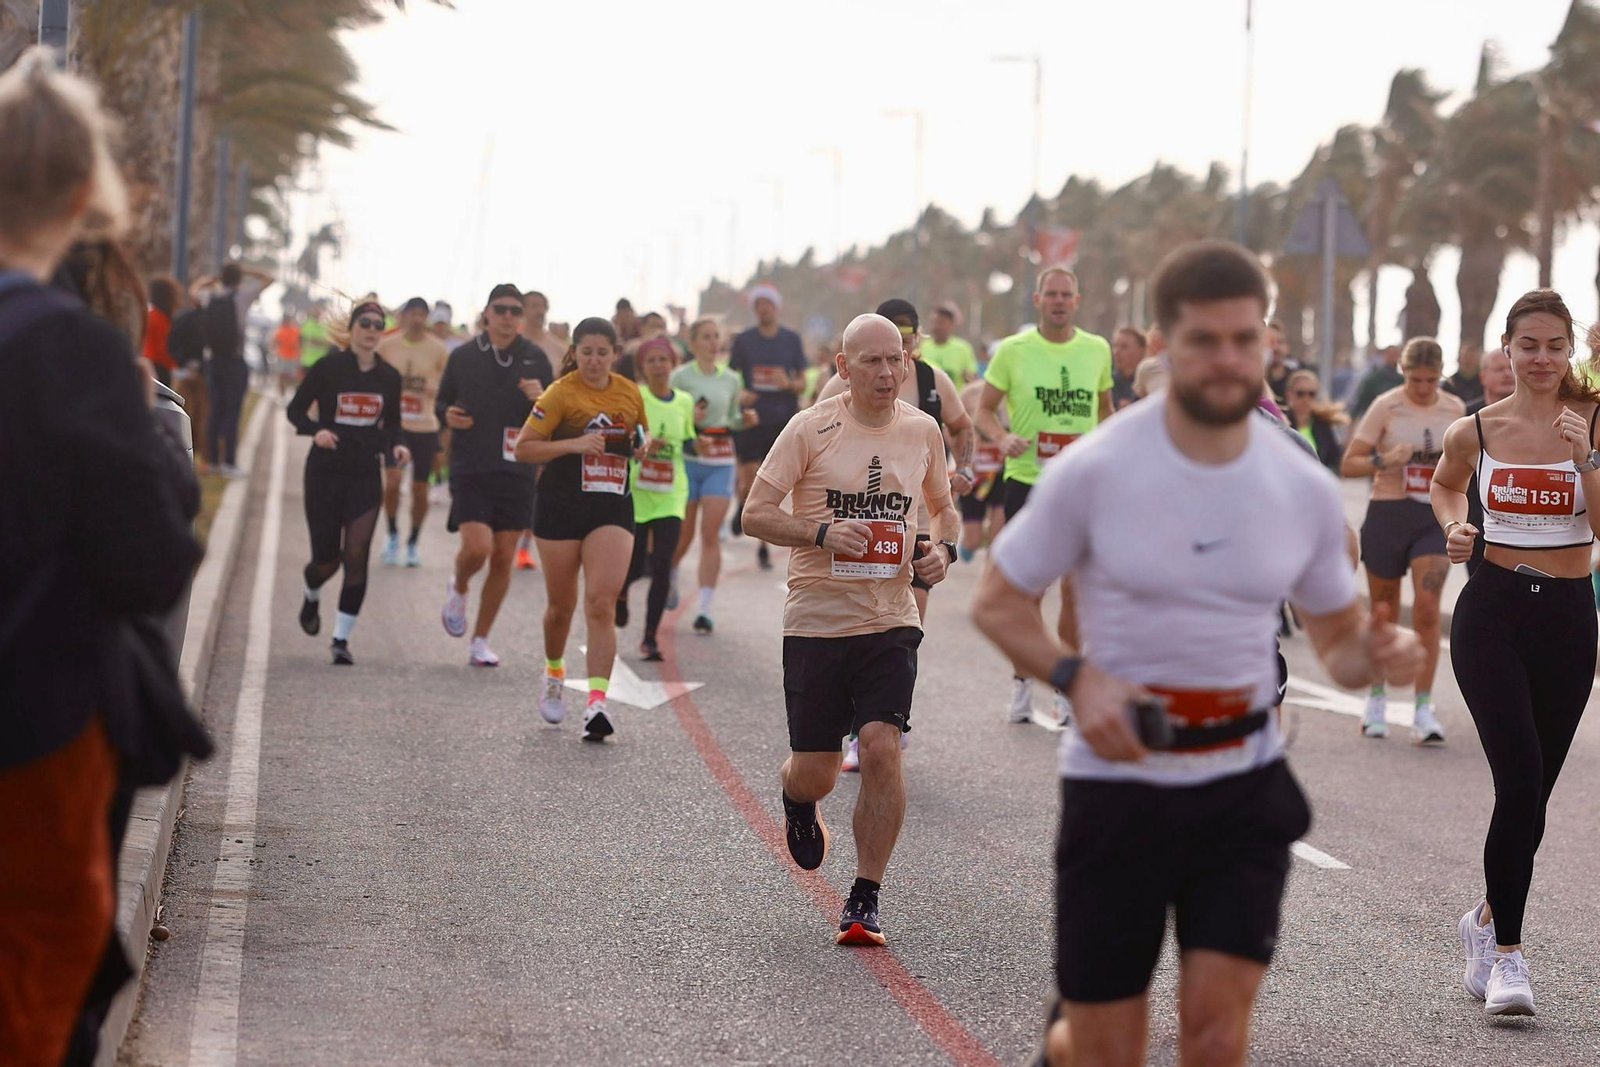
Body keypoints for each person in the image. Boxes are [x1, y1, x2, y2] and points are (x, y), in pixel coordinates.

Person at [972, 240, 1423, 1067]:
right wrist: (1075, 676)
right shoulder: (1098, 470)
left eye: (1244, 340)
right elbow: (998, 601)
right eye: (1204, 341)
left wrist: (1379, 653)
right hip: (1121, 784)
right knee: (1108, 1049)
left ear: (1267, 343)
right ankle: (1068, 1042)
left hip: (1243, 783)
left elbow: (1340, 651)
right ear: (1161, 343)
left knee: (1215, 1038)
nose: (1227, 360)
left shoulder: (1301, 486)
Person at [0, 49, 203, 1066]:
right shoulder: (73, 351)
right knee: (36, 996)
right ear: (87, 196)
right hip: (35, 728)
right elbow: (151, 564)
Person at [742, 312, 958, 947]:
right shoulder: (810, 428)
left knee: (883, 744)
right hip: (816, 620)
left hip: (890, 616)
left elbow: (943, 510)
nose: (888, 373)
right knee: (818, 771)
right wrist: (821, 533)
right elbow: (755, 513)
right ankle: (796, 798)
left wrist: (942, 552)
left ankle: (864, 898)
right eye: (871, 361)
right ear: (843, 368)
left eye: (897, 360)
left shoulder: (923, 431)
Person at [1431, 289, 1600, 1019]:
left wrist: (1585, 458)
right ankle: (1507, 959)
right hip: (1492, 610)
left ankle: (1485, 917)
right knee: (1521, 774)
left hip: (1569, 616)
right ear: (1506, 348)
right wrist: (1456, 525)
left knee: (1534, 797)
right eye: (1527, 344)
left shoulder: (1593, 418)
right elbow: (1444, 487)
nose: (1540, 358)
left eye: (1554, 345)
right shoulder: (1475, 427)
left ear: (1571, 351)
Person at [975, 266, 1112, 727]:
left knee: (1075, 592)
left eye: (1065, 295)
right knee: (1027, 593)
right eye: (1050, 294)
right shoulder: (1014, 352)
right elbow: (983, 410)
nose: (1058, 301)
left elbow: (1106, 412)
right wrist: (1000, 438)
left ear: (1077, 300)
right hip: (1028, 481)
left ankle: (1066, 688)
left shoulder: (1097, 350)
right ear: (1038, 301)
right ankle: (1020, 684)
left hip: (1081, 486)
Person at [514, 317, 649, 740]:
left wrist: (641, 447)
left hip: (612, 507)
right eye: (586, 352)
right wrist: (573, 444)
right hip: (560, 506)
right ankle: (555, 671)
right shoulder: (561, 393)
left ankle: (596, 704)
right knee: (561, 607)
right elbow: (524, 449)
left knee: (601, 603)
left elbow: (637, 436)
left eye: (602, 353)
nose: (594, 360)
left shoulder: (628, 392)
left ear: (615, 354)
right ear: (575, 352)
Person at [816, 298, 974, 621]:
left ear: (918, 339)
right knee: (859, 609)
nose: (900, 348)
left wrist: (965, 467)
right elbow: (814, 435)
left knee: (912, 612)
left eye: (907, 339)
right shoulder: (842, 383)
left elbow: (962, 426)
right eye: (890, 339)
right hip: (859, 512)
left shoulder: (934, 380)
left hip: (917, 516)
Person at [1340, 337, 1462, 742]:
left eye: (1430, 380)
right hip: (1389, 513)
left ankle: (1423, 708)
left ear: (1440, 375)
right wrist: (1384, 460)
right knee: (1384, 611)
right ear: (1403, 373)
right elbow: (1349, 463)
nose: (1422, 388)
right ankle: (1376, 698)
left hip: (1431, 517)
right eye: (1415, 379)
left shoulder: (1454, 409)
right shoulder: (1386, 405)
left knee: (1427, 609)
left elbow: (1463, 468)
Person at [436, 283, 553, 666]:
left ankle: (480, 640)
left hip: (517, 471)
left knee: (503, 557)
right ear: (486, 313)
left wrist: (541, 400)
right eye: (500, 309)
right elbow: (442, 401)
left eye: (514, 311)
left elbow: (554, 415)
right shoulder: (465, 356)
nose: (507, 317)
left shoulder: (535, 359)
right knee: (477, 549)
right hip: (472, 464)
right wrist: (447, 415)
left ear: (521, 318)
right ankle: (460, 584)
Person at [286, 302, 406, 664]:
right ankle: (311, 592)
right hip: (324, 472)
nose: (371, 330)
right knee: (327, 560)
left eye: (378, 325)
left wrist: (398, 446)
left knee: (356, 554)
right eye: (365, 323)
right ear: (352, 328)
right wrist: (316, 430)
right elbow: (295, 410)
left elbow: (394, 424)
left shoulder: (389, 377)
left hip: (365, 475)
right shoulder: (328, 368)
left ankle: (341, 640)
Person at [669, 318, 757, 634]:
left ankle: (705, 608)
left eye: (716, 337)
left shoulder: (732, 379)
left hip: (720, 460)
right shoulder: (680, 377)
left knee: (710, 533)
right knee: (685, 533)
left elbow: (732, 418)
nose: (712, 342)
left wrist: (745, 420)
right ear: (692, 343)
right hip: (689, 459)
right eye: (705, 337)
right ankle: (671, 573)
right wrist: (688, 419)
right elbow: (669, 414)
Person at [618, 337, 696, 660]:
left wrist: (699, 444)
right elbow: (624, 436)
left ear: (672, 363)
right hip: (638, 491)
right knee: (635, 564)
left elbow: (689, 440)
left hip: (671, 494)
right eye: (651, 361)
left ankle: (650, 637)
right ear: (642, 366)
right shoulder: (635, 395)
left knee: (663, 565)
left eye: (664, 360)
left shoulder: (685, 402)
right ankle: (621, 592)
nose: (659, 366)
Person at [729, 283, 809, 571]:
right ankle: (742, 504)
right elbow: (730, 377)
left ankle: (762, 547)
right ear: (754, 309)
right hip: (751, 418)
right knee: (748, 479)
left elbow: (802, 382)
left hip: (782, 419)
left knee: (772, 487)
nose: (764, 309)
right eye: (759, 304)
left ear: (776, 307)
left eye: (768, 304)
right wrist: (739, 395)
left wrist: (788, 384)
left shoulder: (791, 340)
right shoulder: (744, 341)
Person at [377, 297, 451, 567]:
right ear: (404, 316)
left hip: (425, 426)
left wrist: (438, 393)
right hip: (395, 426)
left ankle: (413, 542)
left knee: (420, 489)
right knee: (393, 482)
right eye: (413, 314)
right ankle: (393, 533)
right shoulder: (387, 346)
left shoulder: (439, 350)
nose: (418, 319)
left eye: (423, 314)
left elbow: (450, 385)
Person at [190, 260, 275, 477]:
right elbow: (269, 279)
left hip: (213, 361)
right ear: (239, 280)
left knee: (215, 410)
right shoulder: (240, 297)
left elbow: (194, 290)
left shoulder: (210, 297)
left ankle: (211, 462)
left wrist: (213, 279)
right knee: (232, 411)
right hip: (234, 362)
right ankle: (229, 462)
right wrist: (246, 269)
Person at [1462, 348, 1517, 578]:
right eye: (1499, 369)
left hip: (1522, 521)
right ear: (1483, 376)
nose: (1506, 374)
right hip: (1477, 521)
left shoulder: (1541, 417)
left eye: (1510, 368)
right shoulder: (1466, 417)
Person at [958, 377, 1008, 562]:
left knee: (998, 540)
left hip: (1003, 473)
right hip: (977, 473)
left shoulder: (1017, 391)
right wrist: (964, 455)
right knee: (973, 540)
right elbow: (951, 427)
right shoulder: (970, 392)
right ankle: (975, 538)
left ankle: (988, 584)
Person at [1284, 368, 1346, 474]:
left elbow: (1335, 460)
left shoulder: (1323, 424)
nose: (1306, 398)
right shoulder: (1280, 422)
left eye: (1311, 394)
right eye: (1300, 393)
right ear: (1289, 394)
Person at [920, 302, 979, 383]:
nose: (937, 326)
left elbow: (973, 377)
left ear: (952, 324)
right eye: (934, 322)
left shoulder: (963, 348)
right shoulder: (922, 347)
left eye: (941, 323)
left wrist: (968, 377)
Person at [1348, 343, 1402, 421]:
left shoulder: (1402, 380)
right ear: (1385, 355)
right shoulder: (1374, 379)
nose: (1393, 357)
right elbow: (1362, 400)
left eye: (1395, 354)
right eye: (1391, 353)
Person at [1263, 319, 1301, 406]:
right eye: (1270, 342)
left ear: (1287, 347)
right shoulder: (1253, 381)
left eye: (1279, 342)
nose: (1275, 348)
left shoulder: (1296, 380)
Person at [1109, 325, 1146, 411]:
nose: (1117, 352)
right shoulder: (1109, 382)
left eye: (1124, 347)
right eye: (1115, 346)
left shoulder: (1148, 383)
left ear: (1141, 351)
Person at [1444, 343, 1485, 409]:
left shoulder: (1485, 382)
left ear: (1479, 359)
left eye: (1472, 357)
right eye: (1465, 356)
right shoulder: (1450, 383)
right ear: (1459, 358)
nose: (1468, 360)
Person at [300, 299, 332, 371]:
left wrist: (316, 342)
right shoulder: (306, 324)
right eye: (314, 308)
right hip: (307, 361)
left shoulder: (326, 326)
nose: (316, 311)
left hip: (321, 362)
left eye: (318, 309)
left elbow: (327, 343)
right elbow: (303, 341)